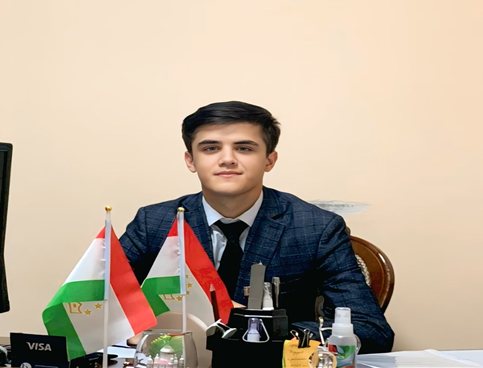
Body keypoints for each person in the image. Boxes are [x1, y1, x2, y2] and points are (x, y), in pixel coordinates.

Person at [119, 101, 394, 353]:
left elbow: (370, 328)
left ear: (269, 160)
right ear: (191, 160)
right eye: (211, 148)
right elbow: (102, 306)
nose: (227, 159)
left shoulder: (316, 227)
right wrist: (137, 329)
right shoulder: (155, 222)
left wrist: (259, 328)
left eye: (244, 148)